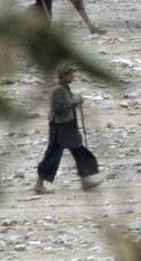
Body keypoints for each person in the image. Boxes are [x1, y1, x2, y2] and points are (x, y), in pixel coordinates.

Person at [34, 66, 103, 194]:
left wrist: (75, 101)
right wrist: (74, 101)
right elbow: (59, 108)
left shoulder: (65, 89)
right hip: (61, 127)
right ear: (64, 76)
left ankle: (85, 181)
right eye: (70, 75)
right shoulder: (58, 90)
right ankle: (39, 184)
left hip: (67, 125)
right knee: (54, 155)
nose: (73, 77)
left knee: (78, 152)